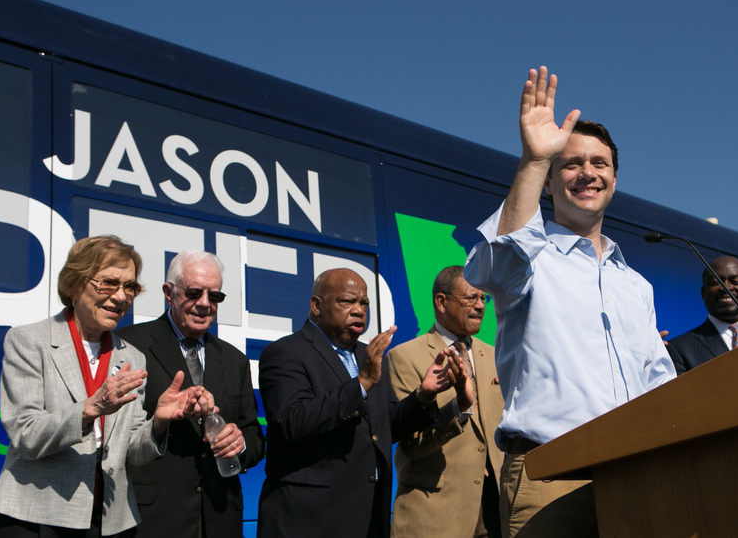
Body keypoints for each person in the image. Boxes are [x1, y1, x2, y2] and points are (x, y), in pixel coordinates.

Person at [463, 66, 676, 537]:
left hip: (636, 479)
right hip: (551, 476)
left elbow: (660, 383)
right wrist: (535, 159)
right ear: (550, 184)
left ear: (614, 180)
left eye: (599, 164)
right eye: (571, 163)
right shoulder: (531, 258)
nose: (587, 174)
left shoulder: (636, 285)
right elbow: (495, 265)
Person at [0, 235, 209, 537]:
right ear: (75, 284)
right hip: (37, 515)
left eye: (129, 287)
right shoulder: (29, 341)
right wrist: (89, 409)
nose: (120, 297)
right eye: (108, 283)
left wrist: (159, 422)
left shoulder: (131, 356)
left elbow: (130, 451)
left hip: (109, 519)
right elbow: (26, 434)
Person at [257, 268, 467, 538]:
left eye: (364, 303)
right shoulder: (285, 352)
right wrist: (362, 383)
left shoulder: (367, 355)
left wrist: (423, 395)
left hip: (368, 517)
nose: (359, 310)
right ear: (317, 306)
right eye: (347, 301)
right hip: (309, 521)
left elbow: (387, 425)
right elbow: (293, 422)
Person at [116, 250, 264, 538]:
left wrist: (240, 444)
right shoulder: (129, 346)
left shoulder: (235, 361)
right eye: (194, 293)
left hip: (221, 518)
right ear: (168, 293)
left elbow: (254, 435)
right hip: (153, 518)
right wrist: (161, 422)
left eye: (215, 296)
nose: (205, 304)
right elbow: (115, 436)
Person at [387, 266, 505, 538]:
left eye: (483, 298)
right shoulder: (404, 357)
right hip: (435, 516)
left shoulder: (496, 356)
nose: (480, 306)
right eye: (470, 298)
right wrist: (459, 408)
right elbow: (412, 445)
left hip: (494, 515)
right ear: (441, 302)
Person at [666, 256, 738, 375]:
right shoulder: (678, 349)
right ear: (703, 292)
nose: (726, 288)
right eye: (716, 282)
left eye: (735, 281)